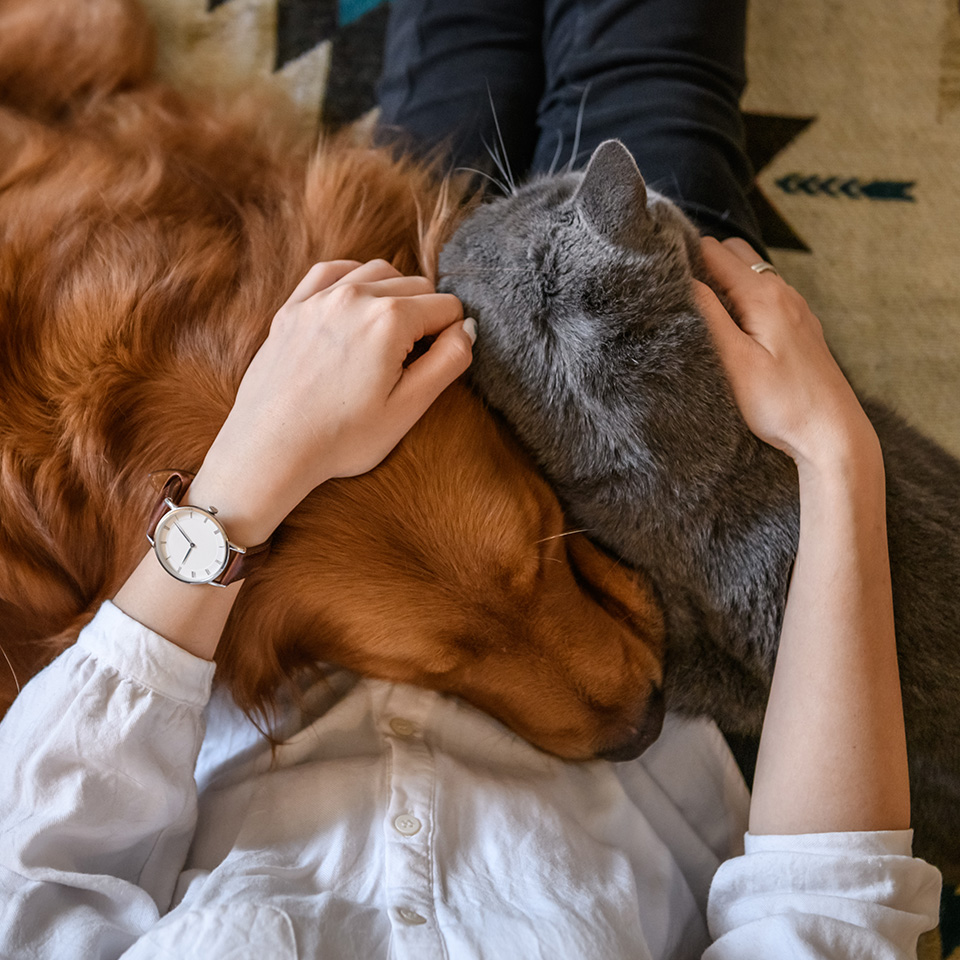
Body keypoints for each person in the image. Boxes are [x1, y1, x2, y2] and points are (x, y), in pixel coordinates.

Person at [0, 1, 942, 958]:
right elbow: (831, 914)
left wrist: (239, 479)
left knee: (454, 51)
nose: (610, 701)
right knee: (652, 78)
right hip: (651, 514)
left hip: (289, 511)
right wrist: (834, 456)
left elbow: (36, 873)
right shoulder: (616, 689)